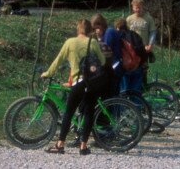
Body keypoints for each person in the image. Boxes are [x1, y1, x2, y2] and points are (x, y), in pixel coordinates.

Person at [41, 19, 107, 155]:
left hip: (77, 82)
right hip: (92, 83)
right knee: (89, 113)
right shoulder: (93, 42)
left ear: (78, 29)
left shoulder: (70, 42)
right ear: (89, 30)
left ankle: (60, 144)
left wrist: (48, 73)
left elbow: (58, 60)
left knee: (69, 112)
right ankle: (83, 146)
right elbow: (103, 61)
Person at [126, 0, 157, 84]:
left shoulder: (148, 18)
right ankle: (133, 90)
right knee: (132, 69)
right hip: (132, 49)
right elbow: (125, 33)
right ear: (133, 8)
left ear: (143, 7)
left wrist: (150, 45)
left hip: (144, 48)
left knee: (143, 70)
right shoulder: (129, 19)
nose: (138, 9)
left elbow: (153, 32)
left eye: (139, 7)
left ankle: (144, 89)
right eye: (136, 7)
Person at [91, 13, 122, 97]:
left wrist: (99, 38)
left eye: (96, 27)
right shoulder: (106, 32)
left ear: (100, 24)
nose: (96, 30)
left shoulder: (109, 32)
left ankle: (114, 109)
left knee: (112, 93)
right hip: (111, 65)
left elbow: (105, 51)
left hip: (114, 66)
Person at [115, 18, 147, 94]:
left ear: (117, 27)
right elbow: (142, 50)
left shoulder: (118, 36)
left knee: (124, 94)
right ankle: (136, 105)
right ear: (126, 25)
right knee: (136, 93)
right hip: (137, 67)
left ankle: (126, 105)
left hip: (124, 69)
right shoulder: (134, 34)